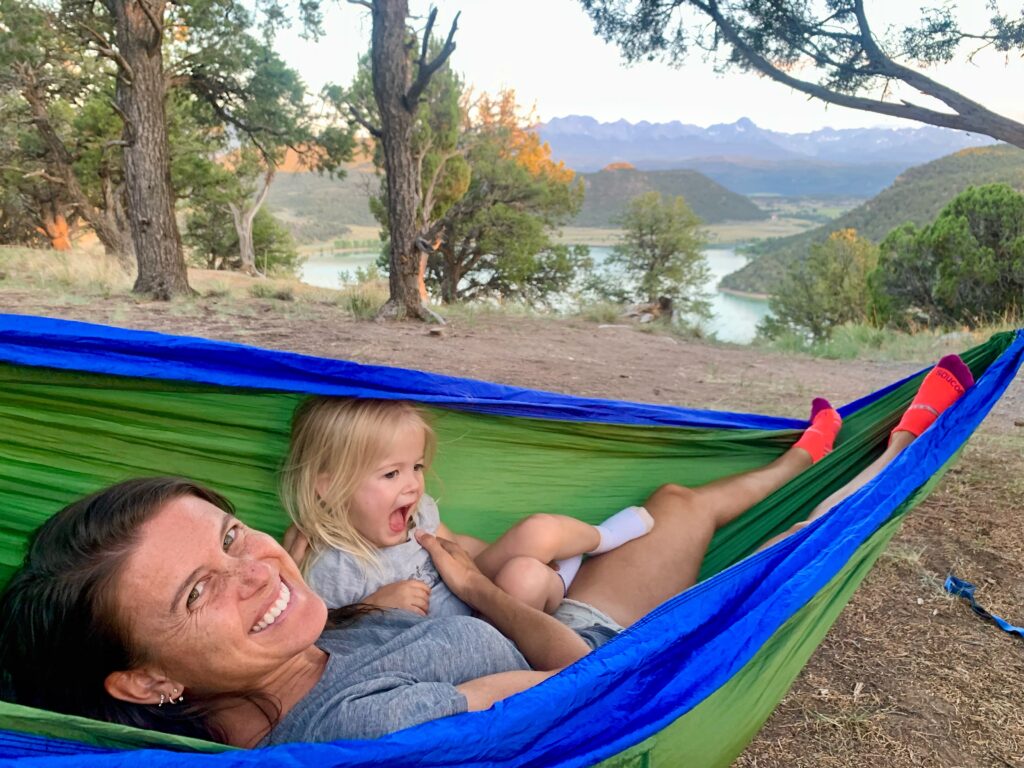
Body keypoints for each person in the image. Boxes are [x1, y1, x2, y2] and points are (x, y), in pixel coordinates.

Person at [0, 356, 973, 747]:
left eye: (230, 534)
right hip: (596, 644)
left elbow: (252, 690)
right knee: (750, 561)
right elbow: (575, 678)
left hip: (518, 614)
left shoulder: (281, 656)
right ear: (141, 683)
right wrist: (473, 583)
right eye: (202, 588)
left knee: (675, 497)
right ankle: (868, 470)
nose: (260, 565)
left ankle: (816, 455)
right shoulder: (347, 733)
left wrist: (362, 610)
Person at [281, 397, 656, 616]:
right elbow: (319, 639)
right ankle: (561, 579)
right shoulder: (333, 566)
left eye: (416, 467)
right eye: (391, 474)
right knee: (525, 577)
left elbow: (456, 544)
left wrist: (489, 563)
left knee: (537, 531)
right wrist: (370, 609)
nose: (412, 484)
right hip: (474, 630)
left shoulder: (414, 512)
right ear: (329, 487)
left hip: (472, 587)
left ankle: (601, 539)